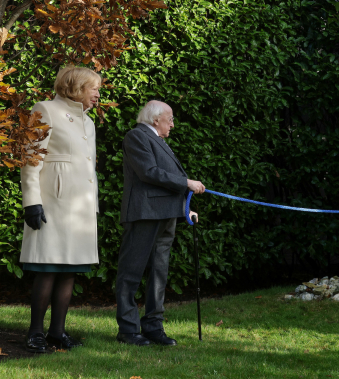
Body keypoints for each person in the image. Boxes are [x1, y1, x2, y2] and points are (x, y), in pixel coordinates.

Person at [20, 65, 102, 353]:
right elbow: (31, 157)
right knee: (48, 268)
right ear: (76, 86)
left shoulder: (88, 122)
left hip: (79, 208)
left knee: (69, 271)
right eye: (93, 88)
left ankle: (57, 332)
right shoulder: (45, 109)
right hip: (52, 204)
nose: (97, 94)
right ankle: (35, 333)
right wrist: (31, 202)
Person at [115, 100, 205, 346]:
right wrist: (187, 183)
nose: (173, 125)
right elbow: (149, 172)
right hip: (145, 213)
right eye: (170, 119)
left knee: (159, 274)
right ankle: (128, 330)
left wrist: (185, 207)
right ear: (155, 119)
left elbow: (164, 180)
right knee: (131, 272)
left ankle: (154, 327)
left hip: (166, 214)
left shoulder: (158, 139)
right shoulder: (137, 136)